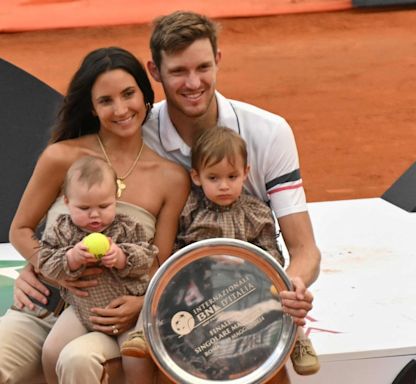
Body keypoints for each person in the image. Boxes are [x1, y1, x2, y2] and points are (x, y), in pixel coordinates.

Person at [142, 10, 321, 375]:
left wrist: (294, 286)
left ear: (218, 60)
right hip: (174, 307)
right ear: (155, 71)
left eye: (203, 68)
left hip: (253, 301)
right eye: (178, 72)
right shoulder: (137, 136)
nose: (193, 83)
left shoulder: (270, 133)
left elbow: (304, 249)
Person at [1, 47, 190, 384]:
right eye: (106, 100)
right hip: (43, 305)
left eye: (129, 94)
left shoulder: (171, 178)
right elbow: (20, 229)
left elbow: (160, 260)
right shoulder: (61, 156)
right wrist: (52, 269)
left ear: (146, 95)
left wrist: (141, 304)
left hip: (110, 318)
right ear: (91, 106)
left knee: (77, 361)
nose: (120, 109)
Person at [122, 126, 319, 374]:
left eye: (232, 177)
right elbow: (175, 250)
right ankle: (144, 331)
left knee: (283, 291)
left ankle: (299, 341)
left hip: (244, 284)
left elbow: (272, 256)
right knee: (163, 287)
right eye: (213, 178)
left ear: (246, 173)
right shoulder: (189, 209)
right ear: (196, 177)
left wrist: (252, 267)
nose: (223, 186)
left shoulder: (256, 213)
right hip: (199, 285)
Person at [38, 156, 158, 383]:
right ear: (66, 201)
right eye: (84, 208)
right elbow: (45, 264)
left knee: (136, 357)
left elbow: (147, 258)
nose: (94, 215)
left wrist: (122, 257)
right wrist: (71, 258)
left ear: (116, 199)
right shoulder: (62, 230)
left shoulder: (127, 226)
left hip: (128, 310)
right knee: (51, 350)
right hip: (83, 309)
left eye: (104, 206)